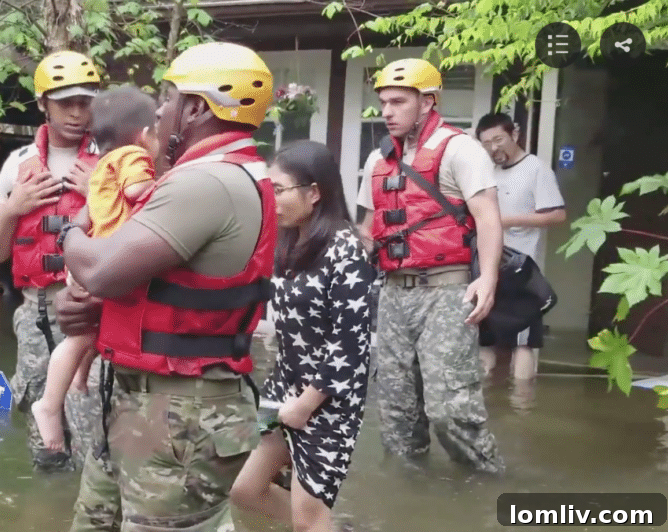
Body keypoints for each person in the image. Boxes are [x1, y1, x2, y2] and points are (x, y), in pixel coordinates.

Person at [53, 41, 276, 532]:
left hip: (179, 415)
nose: (159, 110)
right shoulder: (210, 176)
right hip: (148, 402)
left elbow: (102, 270)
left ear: (197, 108)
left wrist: (70, 229)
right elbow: (142, 285)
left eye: (170, 97)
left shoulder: (207, 183)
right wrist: (95, 313)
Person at [356, 58, 506, 474]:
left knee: (449, 410)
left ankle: (488, 485)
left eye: (398, 101)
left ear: (428, 102)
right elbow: (368, 229)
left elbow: (488, 217)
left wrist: (488, 278)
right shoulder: (376, 161)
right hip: (392, 293)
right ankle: (410, 498)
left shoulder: (461, 150)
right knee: (396, 415)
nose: (387, 111)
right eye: (383, 102)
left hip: (447, 290)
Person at [230, 141, 375, 532]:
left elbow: (351, 344)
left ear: (314, 193)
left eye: (279, 190)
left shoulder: (347, 249)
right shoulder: (290, 242)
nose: (271, 199)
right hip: (285, 386)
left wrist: (308, 404)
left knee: (308, 517)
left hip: (327, 400)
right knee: (245, 490)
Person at [0, 50, 103, 473]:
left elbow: (142, 241)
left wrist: (100, 196)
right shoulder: (18, 166)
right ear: (42, 104)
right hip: (35, 313)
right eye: (65, 102)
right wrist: (13, 208)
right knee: (44, 442)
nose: (76, 112)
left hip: (93, 313)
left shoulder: (113, 160)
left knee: (94, 431)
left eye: (85, 102)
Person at [31, 85, 159, 451]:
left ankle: (79, 380)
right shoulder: (135, 156)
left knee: (91, 329)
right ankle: (49, 404)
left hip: (90, 254)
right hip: (106, 258)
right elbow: (138, 194)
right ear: (145, 135)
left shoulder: (103, 163)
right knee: (80, 338)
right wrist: (166, 189)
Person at [475, 112, 566, 381]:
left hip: (520, 268)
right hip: (486, 266)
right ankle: (490, 404)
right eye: (486, 143)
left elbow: (557, 215)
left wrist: (507, 220)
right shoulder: (487, 171)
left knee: (523, 342)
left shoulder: (536, 168)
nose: (494, 148)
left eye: (499, 139)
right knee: (485, 339)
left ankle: (523, 404)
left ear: (514, 134)